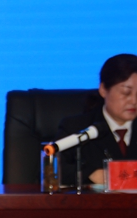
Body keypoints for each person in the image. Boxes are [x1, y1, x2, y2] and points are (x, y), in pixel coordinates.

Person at [56, 53, 137, 186]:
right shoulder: (76, 127)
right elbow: (51, 170)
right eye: (126, 93)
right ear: (103, 90)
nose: (134, 101)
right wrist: (89, 174)